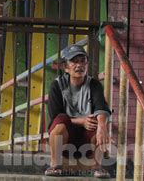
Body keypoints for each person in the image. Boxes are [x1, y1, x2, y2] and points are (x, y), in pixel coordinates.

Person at [45, 44, 111, 178]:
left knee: (99, 122)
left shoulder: (94, 84)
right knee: (60, 120)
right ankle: (55, 165)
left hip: (86, 140)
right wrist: (81, 121)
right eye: (74, 61)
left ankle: (97, 167)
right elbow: (55, 116)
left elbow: (101, 107)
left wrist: (102, 126)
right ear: (65, 67)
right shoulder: (57, 85)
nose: (79, 65)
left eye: (83, 61)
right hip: (65, 141)